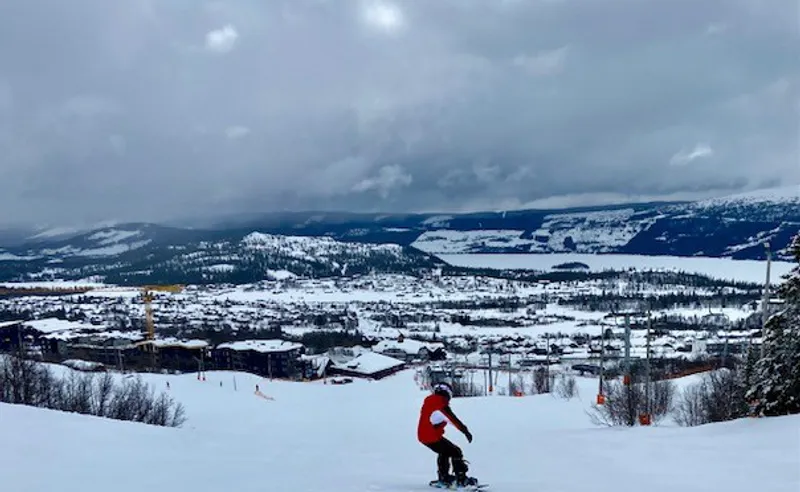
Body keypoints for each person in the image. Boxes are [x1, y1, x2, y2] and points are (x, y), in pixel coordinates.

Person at [417, 382, 477, 487]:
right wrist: (465, 431)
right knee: (455, 452)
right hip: (431, 437)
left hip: (425, 436)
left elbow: (441, 419)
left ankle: (443, 477)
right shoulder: (440, 405)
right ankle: (461, 480)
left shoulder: (430, 402)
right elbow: (453, 419)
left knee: (445, 452)